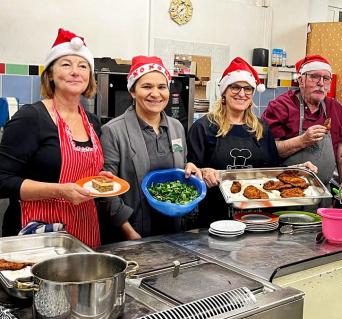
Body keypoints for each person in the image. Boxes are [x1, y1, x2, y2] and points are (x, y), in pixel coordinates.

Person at [0, 28, 104, 247]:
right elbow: (2, 180)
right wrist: (60, 191)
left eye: (83, 66)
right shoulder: (31, 117)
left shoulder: (92, 122)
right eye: (66, 64)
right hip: (35, 234)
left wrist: (101, 178)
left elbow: (87, 173)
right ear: (50, 74)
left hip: (83, 228)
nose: (76, 72)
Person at [187, 57, 316, 226]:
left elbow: (271, 172)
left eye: (248, 89)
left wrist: (298, 170)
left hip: (259, 217)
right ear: (224, 91)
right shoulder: (203, 128)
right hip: (215, 216)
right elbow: (190, 171)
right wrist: (203, 172)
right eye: (235, 87)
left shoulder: (261, 128)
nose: (242, 94)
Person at [100, 55, 201, 241]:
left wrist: (190, 168)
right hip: (133, 231)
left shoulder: (176, 127)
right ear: (132, 91)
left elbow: (181, 165)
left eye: (162, 87)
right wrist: (129, 232)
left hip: (175, 231)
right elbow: (106, 190)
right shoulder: (113, 131)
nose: (156, 94)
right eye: (147, 87)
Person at [262, 54, 342, 189]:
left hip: (323, 191)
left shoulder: (335, 108)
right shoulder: (280, 106)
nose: (321, 83)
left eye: (326, 78)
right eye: (314, 76)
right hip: (285, 190)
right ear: (301, 80)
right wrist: (303, 141)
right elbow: (267, 151)